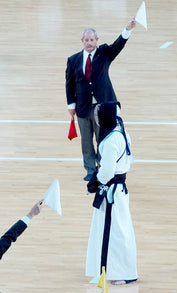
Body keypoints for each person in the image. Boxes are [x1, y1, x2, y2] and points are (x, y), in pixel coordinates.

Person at [65, 18, 136, 181]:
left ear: (97, 40)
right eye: (86, 40)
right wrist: (71, 104)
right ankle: (90, 169)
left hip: (102, 108)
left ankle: (103, 169)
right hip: (83, 107)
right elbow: (69, 84)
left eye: (92, 40)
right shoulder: (73, 60)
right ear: (82, 41)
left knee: (102, 139)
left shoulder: (104, 53)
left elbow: (119, 45)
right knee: (86, 142)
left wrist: (128, 29)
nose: (89, 42)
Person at [86, 102, 137, 285]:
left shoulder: (110, 141)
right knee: (120, 229)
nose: (96, 119)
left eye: (98, 115)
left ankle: (118, 272)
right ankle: (116, 270)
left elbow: (107, 172)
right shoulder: (122, 132)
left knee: (113, 231)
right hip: (119, 190)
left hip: (112, 192)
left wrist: (96, 180)